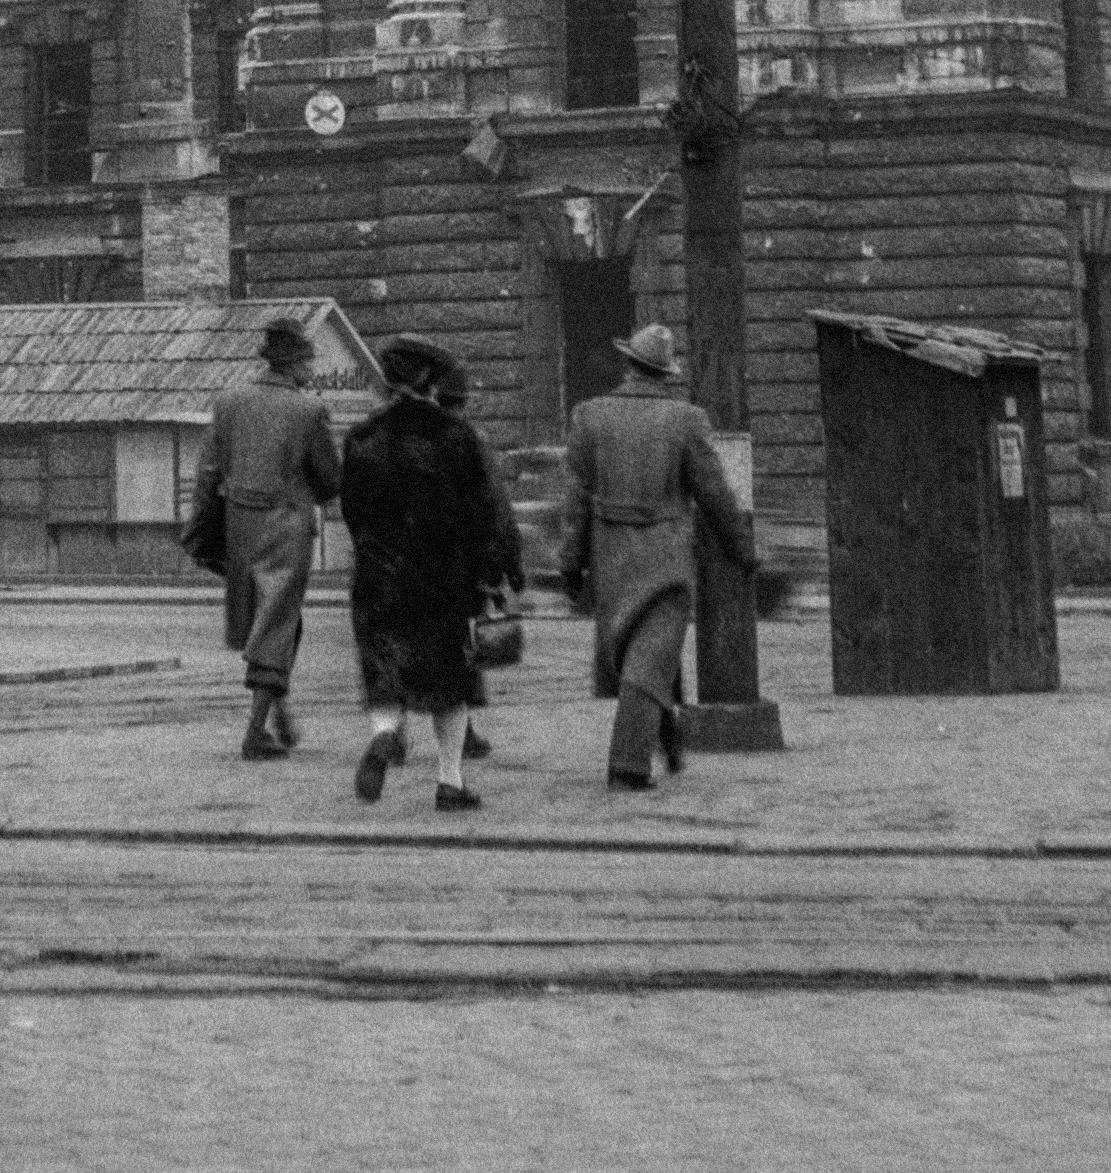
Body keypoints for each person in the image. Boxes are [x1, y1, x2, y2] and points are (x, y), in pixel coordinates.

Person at [558, 321, 753, 787]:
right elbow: (715, 494)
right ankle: (628, 764)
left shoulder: (589, 416)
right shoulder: (688, 420)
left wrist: (570, 562)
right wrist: (741, 547)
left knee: (641, 650)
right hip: (666, 555)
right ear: (666, 375)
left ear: (628, 365)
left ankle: (668, 738)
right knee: (650, 655)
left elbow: (575, 497)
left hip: (611, 555)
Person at [338, 336, 524, 813]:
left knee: (385, 671)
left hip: (379, 577)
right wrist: (493, 572)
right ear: (427, 380)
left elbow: (353, 512)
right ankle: (450, 780)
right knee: (450, 682)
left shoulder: (361, 439)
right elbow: (481, 513)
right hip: (444, 579)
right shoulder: (455, 437)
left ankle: (383, 736)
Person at [191, 314, 342, 760]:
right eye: (308, 363)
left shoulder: (228, 402)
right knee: (278, 621)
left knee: (267, 620)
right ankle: (256, 730)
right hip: (286, 529)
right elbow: (330, 482)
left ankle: (280, 714)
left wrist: (201, 528)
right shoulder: (309, 411)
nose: (312, 372)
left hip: (240, 526)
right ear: (293, 364)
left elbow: (207, 472)